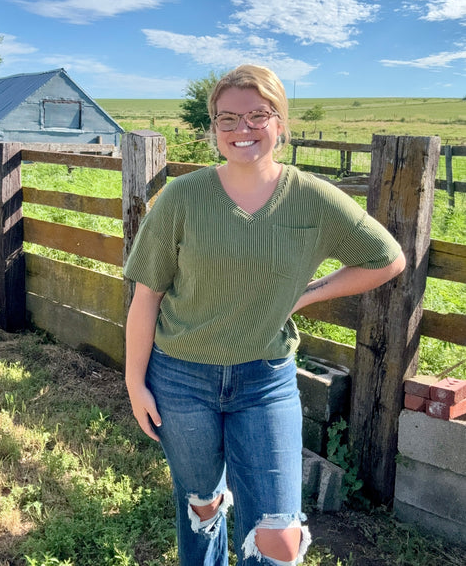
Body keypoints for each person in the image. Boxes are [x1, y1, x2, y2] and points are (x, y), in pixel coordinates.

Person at [124, 64, 406, 566]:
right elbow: (146, 296)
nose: (242, 130)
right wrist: (134, 382)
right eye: (227, 119)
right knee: (202, 503)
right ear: (213, 129)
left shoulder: (311, 198)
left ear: (281, 123)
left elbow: (387, 258)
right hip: (180, 379)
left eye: (258, 115)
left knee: (280, 534)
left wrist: (304, 294)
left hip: (265, 381)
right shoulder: (182, 198)